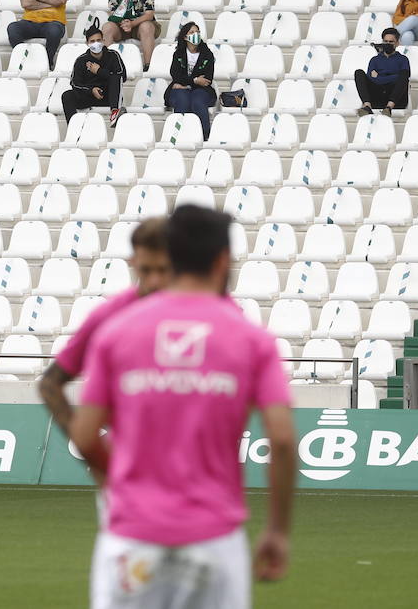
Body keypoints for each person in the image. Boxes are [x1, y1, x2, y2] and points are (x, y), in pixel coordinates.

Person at [70, 205, 296, 608]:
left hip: (132, 537)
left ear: (169, 258)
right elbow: (280, 438)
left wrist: (124, 480)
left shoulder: (117, 332)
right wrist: (278, 530)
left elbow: (85, 436)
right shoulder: (252, 339)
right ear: (222, 260)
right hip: (213, 536)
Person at [38, 218, 172, 440]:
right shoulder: (109, 315)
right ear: (133, 261)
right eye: (146, 270)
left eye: (163, 270)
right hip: (131, 465)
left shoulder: (205, 313)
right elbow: (50, 384)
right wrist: (90, 449)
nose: (155, 280)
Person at [62, 24, 126, 126]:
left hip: (109, 97)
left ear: (103, 40)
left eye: (98, 40)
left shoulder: (113, 55)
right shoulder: (81, 60)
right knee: (67, 95)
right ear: (87, 43)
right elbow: (75, 83)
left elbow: (122, 77)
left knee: (116, 76)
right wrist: (91, 90)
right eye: (92, 41)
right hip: (89, 96)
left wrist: (99, 71)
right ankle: (73, 127)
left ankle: (115, 112)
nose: (96, 43)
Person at [100, 0, 158, 65]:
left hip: (141, 25)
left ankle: (148, 66)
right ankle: (105, 65)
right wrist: (125, 24)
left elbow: (149, 14)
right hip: (121, 25)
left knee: (146, 26)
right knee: (107, 27)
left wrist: (132, 23)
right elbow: (114, 13)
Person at [167, 22, 217, 140]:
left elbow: (207, 79)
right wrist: (194, 80)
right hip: (180, 89)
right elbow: (175, 75)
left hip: (201, 89)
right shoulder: (178, 54)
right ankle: (179, 135)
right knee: (182, 100)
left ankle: (205, 136)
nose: (196, 34)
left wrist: (187, 83)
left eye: (198, 32)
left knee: (197, 101)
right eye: (192, 32)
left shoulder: (207, 54)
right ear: (185, 37)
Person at [355, 27, 411, 115]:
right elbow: (371, 78)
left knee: (403, 75)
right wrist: (394, 76)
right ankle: (367, 106)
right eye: (385, 41)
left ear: (397, 43)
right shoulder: (375, 60)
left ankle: (389, 108)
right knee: (359, 73)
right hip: (377, 97)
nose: (387, 44)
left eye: (391, 42)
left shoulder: (403, 59)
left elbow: (404, 77)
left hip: (396, 100)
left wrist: (379, 77)